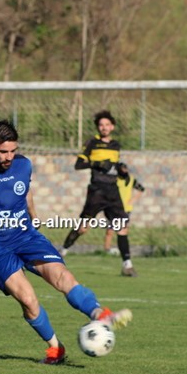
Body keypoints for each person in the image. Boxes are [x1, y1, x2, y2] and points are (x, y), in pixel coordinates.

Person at [0, 120, 132, 365]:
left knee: (62, 277)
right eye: (3, 151)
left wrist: (33, 215)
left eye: (13, 150)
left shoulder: (23, 164)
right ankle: (56, 349)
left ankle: (100, 315)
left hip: (27, 236)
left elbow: (25, 191)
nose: (9, 157)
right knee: (28, 300)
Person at [59, 110, 137, 277]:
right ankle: (61, 254)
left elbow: (114, 168)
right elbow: (79, 164)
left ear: (112, 127)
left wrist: (122, 170)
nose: (104, 127)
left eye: (107, 125)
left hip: (113, 191)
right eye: (101, 125)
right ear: (97, 127)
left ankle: (127, 266)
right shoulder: (92, 143)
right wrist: (97, 163)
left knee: (122, 227)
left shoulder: (115, 145)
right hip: (97, 191)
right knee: (82, 227)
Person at [103, 166, 145, 260]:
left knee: (122, 231)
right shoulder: (114, 180)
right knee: (110, 230)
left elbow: (141, 189)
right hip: (114, 208)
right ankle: (106, 250)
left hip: (125, 209)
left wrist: (133, 200)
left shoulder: (131, 180)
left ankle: (124, 252)